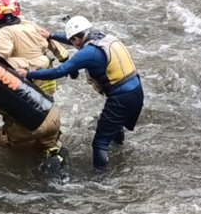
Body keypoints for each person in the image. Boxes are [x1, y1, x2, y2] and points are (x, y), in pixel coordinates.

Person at [26, 15, 143, 172]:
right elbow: (73, 39)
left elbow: (58, 71)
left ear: (76, 38)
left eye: (73, 41)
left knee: (99, 143)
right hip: (136, 90)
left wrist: (28, 74)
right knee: (115, 126)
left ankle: (101, 179)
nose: (73, 44)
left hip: (121, 98)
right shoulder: (104, 38)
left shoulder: (89, 53)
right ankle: (119, 152)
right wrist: (51, 35)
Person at [0, 55, 66, 171]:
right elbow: (44, 61)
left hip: (29, 128)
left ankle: (34, 163)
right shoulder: (15, 63)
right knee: (45, 141)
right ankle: (54, 152)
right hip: (53, 115)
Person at [0, 0, 69, 99]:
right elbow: (51, 41)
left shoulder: (4, 32)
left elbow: (2, 55)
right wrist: (63, 57)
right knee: (48, 101)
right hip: (46, 71)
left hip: (29, 74)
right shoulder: (28, 24)